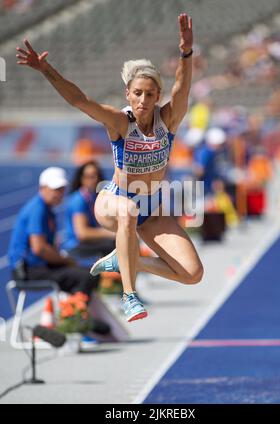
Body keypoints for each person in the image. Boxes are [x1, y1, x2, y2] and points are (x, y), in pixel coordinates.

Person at [16, 13, 204, 323]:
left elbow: (182, 89)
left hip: (152, 209)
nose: (144, 99)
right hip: (113, 201)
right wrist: (46, 69)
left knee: (192, 273)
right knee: (128, 210)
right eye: (138, 93)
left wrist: (186, 52)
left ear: (158, 96)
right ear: (128, 94)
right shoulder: (120, 122)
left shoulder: (167, 120)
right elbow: (79, 99)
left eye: (150, 93)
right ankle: (130, 296)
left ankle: (130, 260)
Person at [8, 167, 99, 297]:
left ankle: (74, 311)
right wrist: (66, 261)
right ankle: (74, 313)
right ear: (42, 188)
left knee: (89, 273)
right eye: (55, 189)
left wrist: (64, 259)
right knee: (84, 276)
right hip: (27, 270)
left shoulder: (47, 209)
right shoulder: (37, 209)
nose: (59, 193)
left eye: (62, 189)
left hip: (38, 266)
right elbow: (39, 249)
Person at [63, 160, 115, 263]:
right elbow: (82, 234)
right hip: (75, 247)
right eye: (88, 176)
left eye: (96, 176)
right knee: (114, 245)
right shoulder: (78, 200)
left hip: (87, 245)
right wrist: (112, 233)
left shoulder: (94, 197)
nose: (93, 180)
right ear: (81, 179)